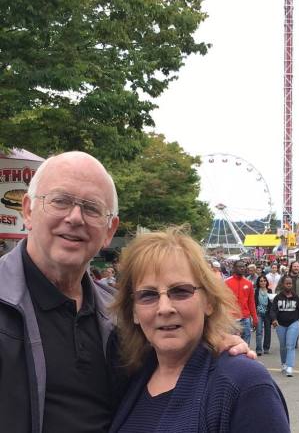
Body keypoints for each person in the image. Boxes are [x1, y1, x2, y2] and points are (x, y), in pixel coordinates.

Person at [0, 151, 255, 433]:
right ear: (27, 210)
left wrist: (211, 345)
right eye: (60, 201)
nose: (75, 217)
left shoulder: (119, 315)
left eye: (92, 208)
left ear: (110, 230)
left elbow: (170, 358)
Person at [109, 228, 290, 433]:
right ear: (133, 311)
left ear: (209, 302)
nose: (164, 308)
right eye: (148, 295)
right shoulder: (133, 374)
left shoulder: (244, 385)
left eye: (180, 291)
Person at [270, 275, 299, 377]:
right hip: (280, 324)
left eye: (290, 284)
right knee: (283, 346)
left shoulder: (296, 298)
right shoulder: (277, 298)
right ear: (283, 284)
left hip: (293, 323)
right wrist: (274, 320)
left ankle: (289, 366)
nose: (289, 285)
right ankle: (284, 364)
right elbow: (273, 311)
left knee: (290, 345)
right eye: (287, 283)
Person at [226, 260, 258, 345]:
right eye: (239, 266)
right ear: (234, 268)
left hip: (245, 318)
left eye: (243, 266)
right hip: (231, 318)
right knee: (232, 343)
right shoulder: (226, 282)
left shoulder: (248, 284)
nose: (242, 268)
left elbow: (251, 302)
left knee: (245, 343)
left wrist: (255, 318)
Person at [254, 275, 272, 356]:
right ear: (258, 282)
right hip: (259, 313)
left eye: (264, 281)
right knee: (259, 331)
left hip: (268, 314)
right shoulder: (256, 291)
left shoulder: (270, 291)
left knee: (268, 331)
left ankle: (266, 348)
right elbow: (254, 303)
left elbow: (272, 303)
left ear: (266, 282)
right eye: (261, 281)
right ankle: (259, 349)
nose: (263, 282)